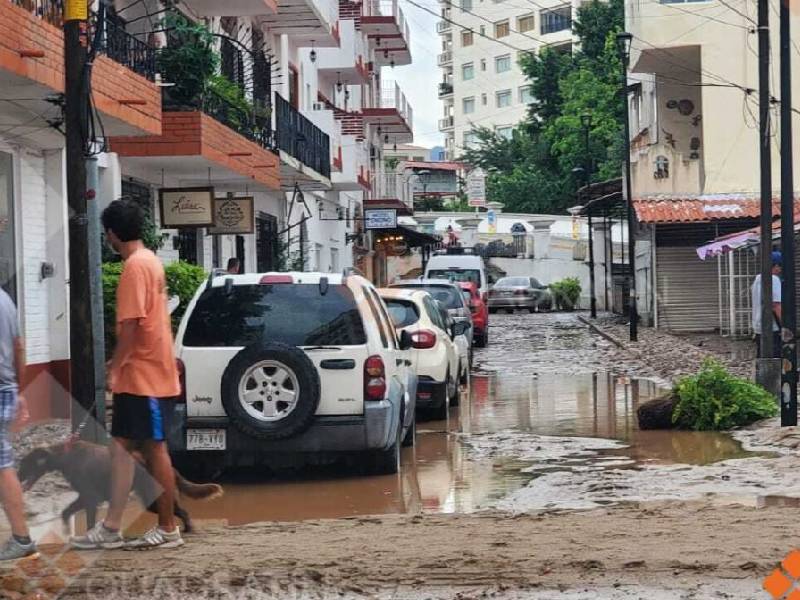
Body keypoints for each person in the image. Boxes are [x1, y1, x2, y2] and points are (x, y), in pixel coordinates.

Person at [71, 199, 183, 550]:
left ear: (112, 234)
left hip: (145, 375)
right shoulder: (150, 261)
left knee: (155, 449)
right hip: (145, 372)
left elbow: (132, 326)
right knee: (120, 449)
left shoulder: (135, 267)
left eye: (106, 233)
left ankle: (167, 528)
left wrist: (115, 368)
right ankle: (111, 527)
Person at [0, 288, 34, 561]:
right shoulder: (5, 299)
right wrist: (20, 391)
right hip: (7, 388)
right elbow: (19, 346)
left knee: (2, 466)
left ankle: (22, 538)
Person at [751, 250, 783, 359]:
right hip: (772, 328)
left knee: (762, 359)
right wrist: (786, 326)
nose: (780, 270)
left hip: (759, 327)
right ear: (776, 265)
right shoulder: (773, 279)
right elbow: (776, 305)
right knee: (775, 360)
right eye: (780, 266)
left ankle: (761, 376)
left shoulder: (758, 279)